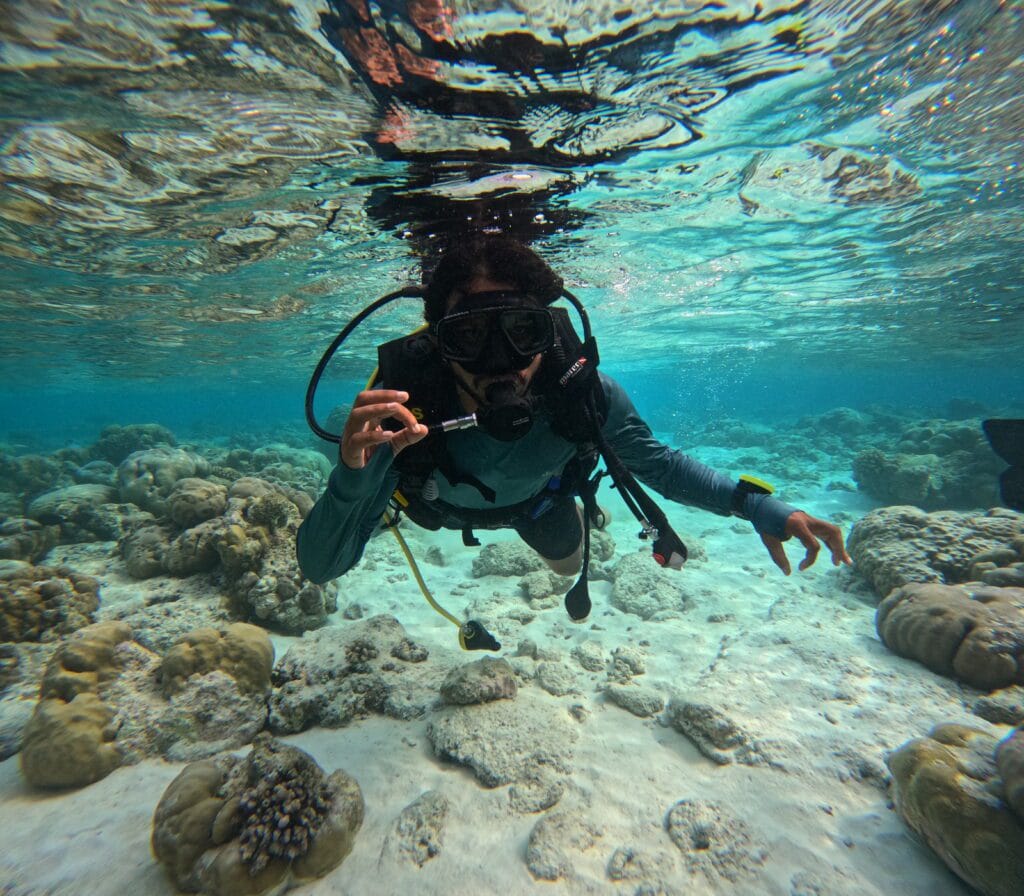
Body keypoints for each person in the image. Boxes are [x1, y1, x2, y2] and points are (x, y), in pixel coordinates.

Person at [297, 236, 852, 613]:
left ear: (550, 332)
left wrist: (760, 506)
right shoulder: (401, 413)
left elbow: (657, 463)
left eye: (523, 332)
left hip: (542, 504)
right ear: (438, 344)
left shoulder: (582, 396)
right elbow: (320, 567)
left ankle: (572, 500)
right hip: (434, 507)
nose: (503, 362)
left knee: (566, 570)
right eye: (469, 338)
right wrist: (352, 474)